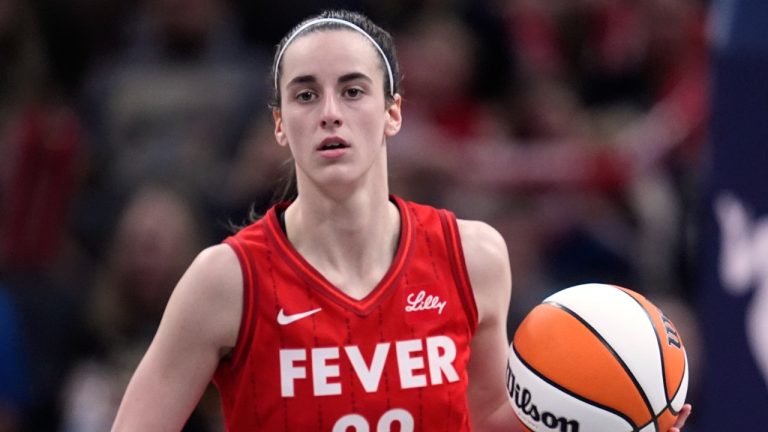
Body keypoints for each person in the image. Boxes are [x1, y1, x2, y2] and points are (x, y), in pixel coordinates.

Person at [111, 10, 691, 431]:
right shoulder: (225, 280)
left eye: (353, 90)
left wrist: (628, 410)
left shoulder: (473, 256)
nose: (331, 113)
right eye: (306, 95)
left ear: (393, 114)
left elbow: (487, 416)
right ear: (280, 125)